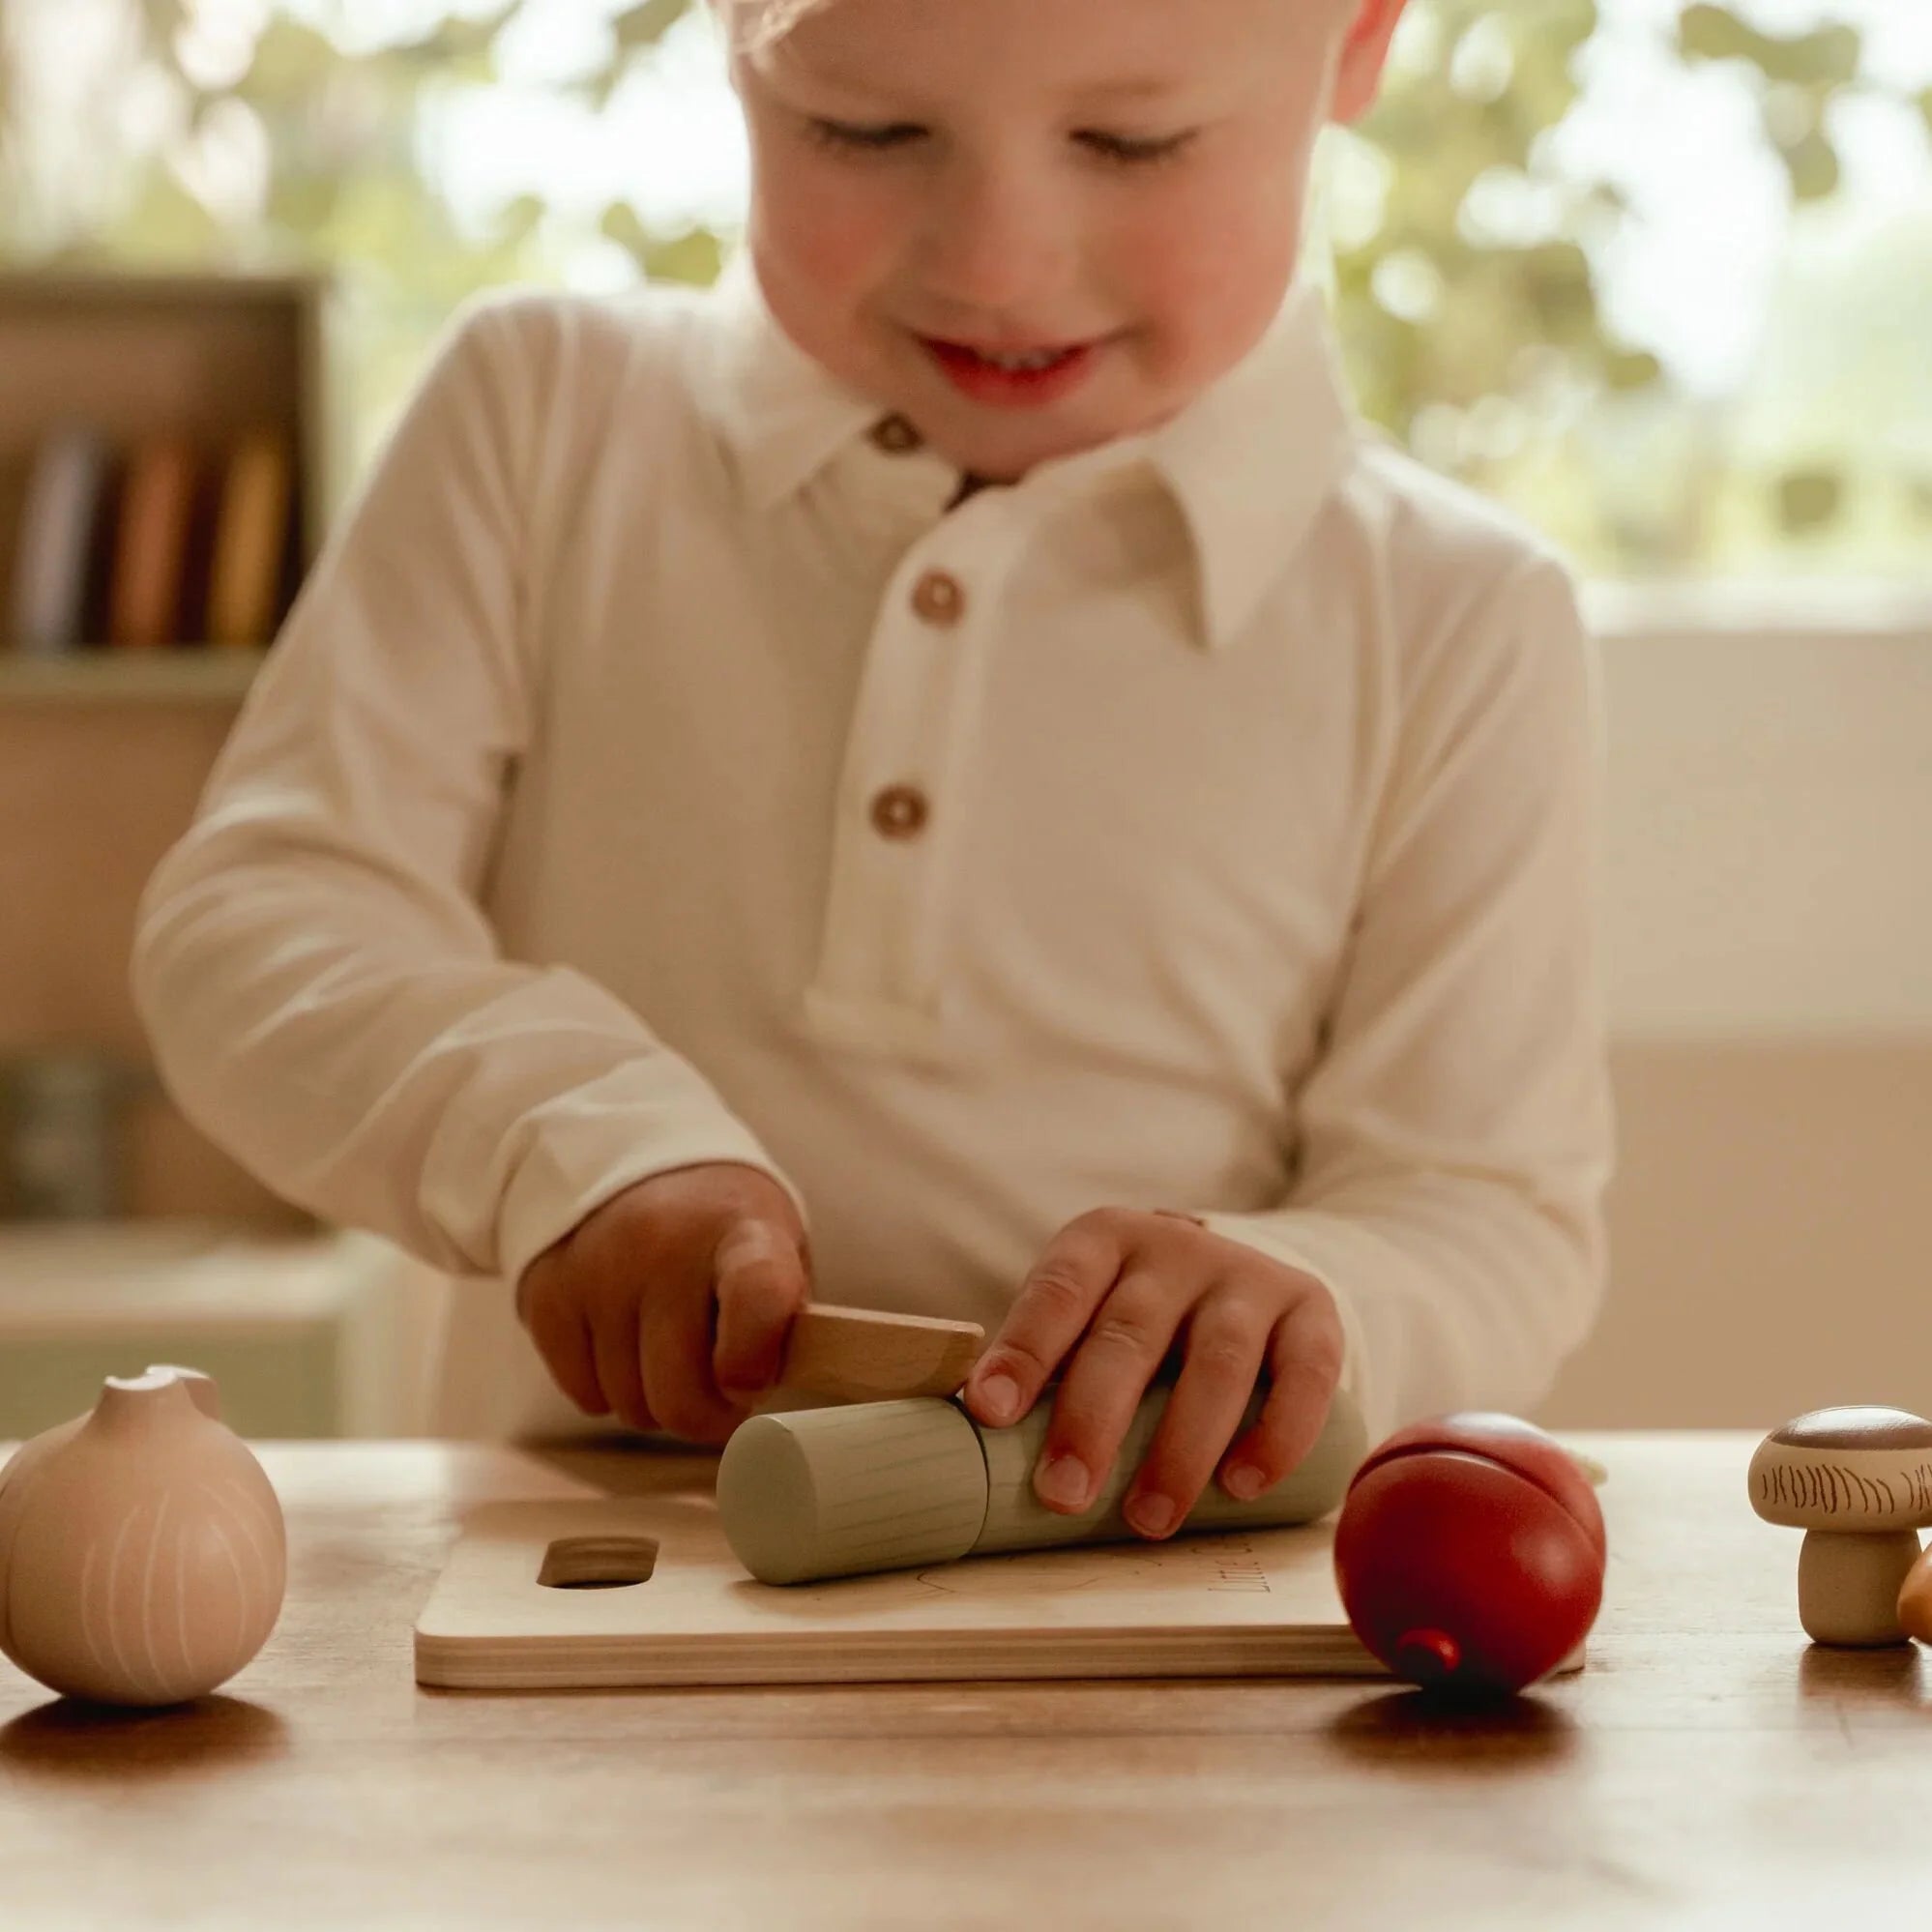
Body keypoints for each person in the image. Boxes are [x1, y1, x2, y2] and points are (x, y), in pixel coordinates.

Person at [132, 0, 1614, 1544]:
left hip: (1143, 1592)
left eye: (1130, 141)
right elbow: (261, 920)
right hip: (598, 1579)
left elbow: (1483, 1220)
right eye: (865, 130)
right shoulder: (542, 417)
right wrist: (564, 1139)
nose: (996, 265)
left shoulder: (1457, 612)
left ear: (1357, 43)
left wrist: (1295, 1305)